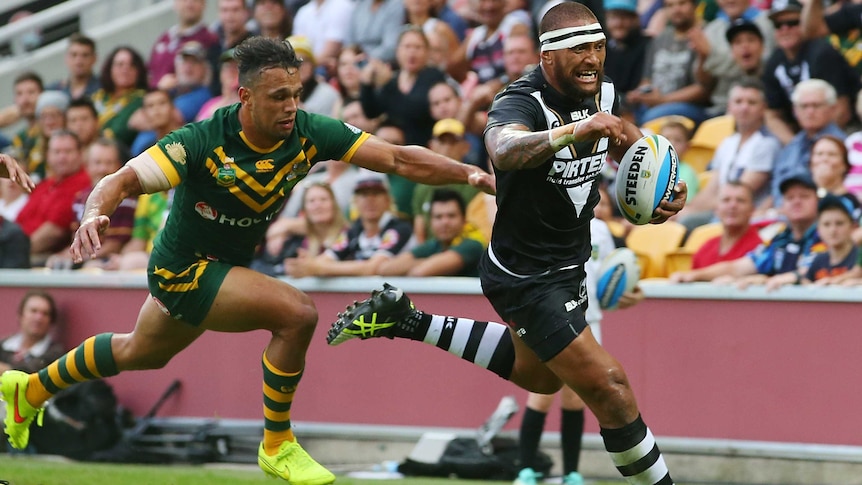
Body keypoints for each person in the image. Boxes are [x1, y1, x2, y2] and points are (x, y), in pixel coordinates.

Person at [0, 36, 493, 483]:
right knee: (297, 314)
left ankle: (30, 389)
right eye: (279, 97)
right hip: (183, 269)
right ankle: (277, 443)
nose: (291, 106)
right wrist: (92, 215)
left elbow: (400, 158)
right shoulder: (198, 141)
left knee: (139, 352)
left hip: (221, 268)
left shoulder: (309, 132)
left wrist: (470, 174)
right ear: (246, 98)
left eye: (296, 94)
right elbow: (121, 181)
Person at [327, 4, 683, 485]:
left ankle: (408, 320)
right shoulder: (519, 101)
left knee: (541, 378)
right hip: (528, 275)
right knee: (611, 386)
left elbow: (626, 139)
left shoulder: (601, 91)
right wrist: (574, 131)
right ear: (547, 56)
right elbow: (504, 150)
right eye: (580, 48)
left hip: (569, 265)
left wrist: (662, 181)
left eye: (598, 48)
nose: (592, 59)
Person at [514, 218, 642, 485]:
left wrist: (629, 295)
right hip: (551, 318)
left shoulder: (601, 230)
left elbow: (611, 276)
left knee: (576, 397)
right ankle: (525, 470)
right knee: (541, 394)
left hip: (588, 320)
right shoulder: (551, 218)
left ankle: (571, 473)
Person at [671, 174, 821, 285]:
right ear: (782, 205)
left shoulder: (826, 236)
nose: (796, 202)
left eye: (804, 196)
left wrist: (764, 280)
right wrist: (694, 276)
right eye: (790, 198)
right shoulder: (780, 241)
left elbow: (811, 271)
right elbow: (737, 267)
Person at [762, 0, 859, 144]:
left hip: (844, 131)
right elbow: (771, 114)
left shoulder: (823, 53)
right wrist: (794, 144)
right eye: (778, 25)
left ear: (805, 21)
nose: (785, 29)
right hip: (803, 135)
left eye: (792, 23)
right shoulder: (774, 61)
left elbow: (842, 111)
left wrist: (818, 146)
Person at [284, 173, 417, 277]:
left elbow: (372, 268)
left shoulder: (399, 228)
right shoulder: (353, 231)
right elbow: (327, 258)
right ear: (355, 201)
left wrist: (317, 268)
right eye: (364, 195)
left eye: (376, 194)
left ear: (387, 200)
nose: (370, 200)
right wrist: (304, 264)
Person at [627, 0, 710, 125]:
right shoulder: (660, 38)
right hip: (655, 102)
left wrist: (663, 100)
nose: (676, 10)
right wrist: (641, 94)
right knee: (621, 113)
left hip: (689, 106)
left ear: (694, 5)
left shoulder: (706, 34)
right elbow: (647, 79)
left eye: (682, 4)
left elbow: (703, 89)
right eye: (670, 6)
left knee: (650, 118)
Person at [15, 130, 91, 264]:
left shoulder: (83, 186)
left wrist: (10, 251)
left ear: (80, 154)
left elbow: (53, 234)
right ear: (48, 155)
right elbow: (19, 221)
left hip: (41, 256)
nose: (62, 157)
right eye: (56, 152)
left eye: (68, 152)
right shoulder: (45, 185)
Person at [770, 79, 847, 208]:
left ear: (832, 109)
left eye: (816, 106)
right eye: (804, 106)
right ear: (795, 111)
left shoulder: (843, 145)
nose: (810, 112)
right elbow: (776, 186)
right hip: (783, 214)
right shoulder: (791, 146)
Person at [378, 188, 484, 276]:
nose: (445, 222)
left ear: (464, 220)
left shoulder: (472, 245)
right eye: (438, 217)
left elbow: (420, 272)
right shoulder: (433, 245)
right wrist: (432, 262)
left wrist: (422, 264)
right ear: (430, 222)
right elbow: (385, 269)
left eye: (451, 216)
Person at [252, 181, 349, 276]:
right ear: (304, 211)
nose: (318, 205)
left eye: (323, 199)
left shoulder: (347, 235)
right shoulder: (300, 242)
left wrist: (311, 265)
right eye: (311, 201)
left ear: (334, 205)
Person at [764, 193, 858, 290]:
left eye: (839, 223)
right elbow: (806, 282)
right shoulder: (819, 259)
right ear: (818, 229)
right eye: (826, 224)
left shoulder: (858, 256)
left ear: (853, 226)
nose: (833, 230)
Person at [688, 182, 763, 270]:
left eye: (740, 200)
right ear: (716, 209)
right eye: (726, 200)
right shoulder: (706, 248)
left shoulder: (760, 249)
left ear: (752, 209)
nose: (732, 206)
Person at [147, 0, 219, 90]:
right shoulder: (164, 38)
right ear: (175, 4)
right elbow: (149, 72)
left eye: (195, 1)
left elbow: (208, 80)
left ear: (204, 4)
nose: (189, 4)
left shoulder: (209, 39)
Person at [91, 46, 148, 148]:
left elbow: (118, 132)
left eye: (132, 65)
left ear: (138, 71)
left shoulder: (141, 99)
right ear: (110, 69)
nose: (125, 69)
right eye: (120, 65)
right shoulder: (98, 97)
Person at [0, 291, 65, 375]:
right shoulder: (4, 344)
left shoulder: (55, 353)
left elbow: (31, 373)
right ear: (21, 315)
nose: (38, 318)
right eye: (33, 311)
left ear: (51, 321)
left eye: (45, 314)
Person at [291, 0, 355, 77]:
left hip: (332, 69)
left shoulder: (342, 5)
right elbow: (296, 49)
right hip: (310, 66)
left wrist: (306, 65)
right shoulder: (303, 11)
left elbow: (332, 50)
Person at [287, 36, 341, 116]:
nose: (299, 66)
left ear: (313, 65)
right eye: (293, 61)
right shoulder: (276, 93)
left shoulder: (328, 95)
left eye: (304, 60)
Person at [48, 33, 101, 100]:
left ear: (94, 59)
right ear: (66, 58)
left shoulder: (104, 88)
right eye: (74, 55)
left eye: (85, 55)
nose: (78, 61)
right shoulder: (54, 91)